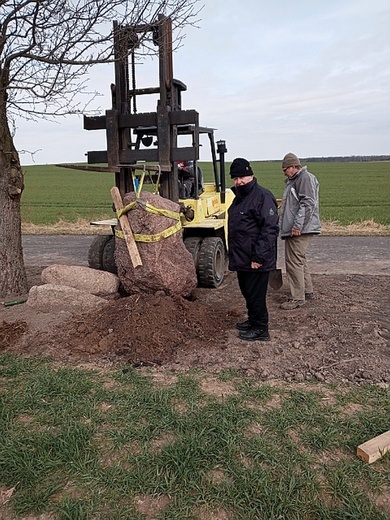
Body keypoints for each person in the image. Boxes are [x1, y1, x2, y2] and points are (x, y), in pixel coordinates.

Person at [228, 158, 279, 341]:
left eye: (242, 176)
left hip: (256, 259)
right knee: (247, 292)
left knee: (256, 295)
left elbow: (269, 229)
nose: (239, 181)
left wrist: (258, 257)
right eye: (235, 178)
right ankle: (252, 320)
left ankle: (261, 329)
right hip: (243, 258)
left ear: (251, 175)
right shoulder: (240, 199)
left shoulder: (262, 197)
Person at [279, 153, 321, 310]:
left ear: (293, 167)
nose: (284, 172)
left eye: (285, 169)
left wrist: (297, 226)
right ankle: (307, 291)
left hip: (300, 229)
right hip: (301, 228)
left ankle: (297, 297)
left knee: (293, 262)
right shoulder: (299, 179)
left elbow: (308, 203)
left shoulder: (303, 178)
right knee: (300, 260)